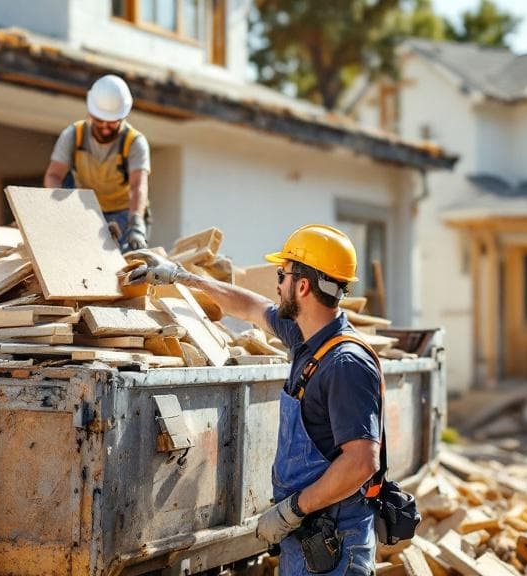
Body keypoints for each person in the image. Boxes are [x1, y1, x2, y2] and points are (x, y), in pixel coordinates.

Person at [124, 224, 383, 575]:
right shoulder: (309, 337)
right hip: (310, 537)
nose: (278, 284)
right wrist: (183, 277)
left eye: (283, 274)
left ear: (303, 286)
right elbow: (250, 306)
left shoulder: (344, 364)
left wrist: (292, 511)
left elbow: (361, 463)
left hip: (335, 544)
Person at [44, 74, 151, 251]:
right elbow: (53, 175)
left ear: (123, 117)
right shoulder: (73, 135)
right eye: (99, 121)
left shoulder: (134, 142)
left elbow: (138, 186)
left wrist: (136, 225)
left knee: (126, 265)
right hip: (88, 211)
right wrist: (64, 209)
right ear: (90, 112)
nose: (105, 128)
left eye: (111, 123)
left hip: (125, 213)